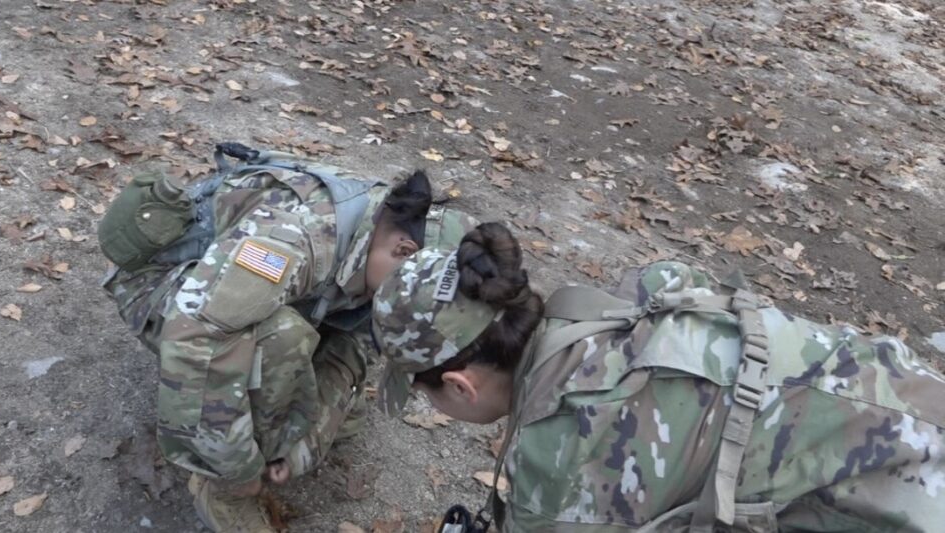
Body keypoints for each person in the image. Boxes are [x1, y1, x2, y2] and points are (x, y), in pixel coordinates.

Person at [370, 222, 945, 532]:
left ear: (460, 385)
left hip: (910, 497)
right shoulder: (625, 299)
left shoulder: (559, 474)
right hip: (914, 392)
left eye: (424, 394)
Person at [99, 144, 479, 532]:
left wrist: (312, 438)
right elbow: (195, 341)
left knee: (313, 405)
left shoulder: (385, 251)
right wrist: (236, 468)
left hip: (226, 294)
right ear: (405, 250)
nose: (403, 313)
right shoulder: (296, 237)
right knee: (284, 339)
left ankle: (279, 420)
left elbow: (355, 348)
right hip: (161, 287)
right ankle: (221, 493)